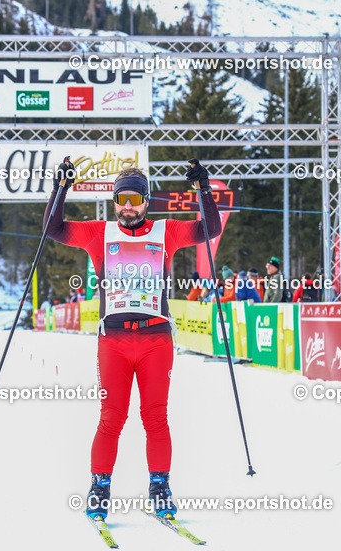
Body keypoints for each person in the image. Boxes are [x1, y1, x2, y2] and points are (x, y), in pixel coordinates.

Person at [44, 157, 221, 521]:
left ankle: (160, 487)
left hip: (156, 339)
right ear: (115, 202)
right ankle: (99, 488)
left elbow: (210, 230)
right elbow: (54, 228)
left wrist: (204, 189)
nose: (127, 207)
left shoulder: (166, 232)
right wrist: (60, 188)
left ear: (146, 201)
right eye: (121, 200)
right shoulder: (99, 233)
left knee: (155, 418)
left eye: (134, 200)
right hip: (114, 341)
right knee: (111, 417)